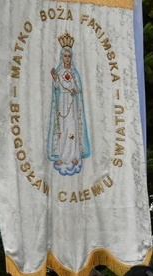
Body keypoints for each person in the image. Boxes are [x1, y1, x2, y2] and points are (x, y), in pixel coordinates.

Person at [46, 32, 90, 177]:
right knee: (62, 130)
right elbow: (57, 86)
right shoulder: (58, 72)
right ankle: (61, 156)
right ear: (61, 57)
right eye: (64, 56)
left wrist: (74, 90)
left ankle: (74, 156)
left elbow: (79, 88)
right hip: (61, 105)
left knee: (72, 129)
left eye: (69, 56)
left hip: (71, 104)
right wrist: (54, 78)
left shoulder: (74, 73)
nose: (67, 59)